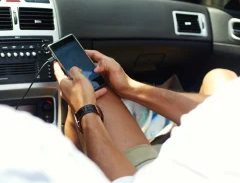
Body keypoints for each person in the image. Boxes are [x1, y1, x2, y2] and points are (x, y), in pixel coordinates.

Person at [53, 49, 240, 182]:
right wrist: (130, 88)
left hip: (146, 176)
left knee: (96, 94)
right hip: (210, 156)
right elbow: (226, 111)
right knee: (220, 76)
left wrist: (85, 110)